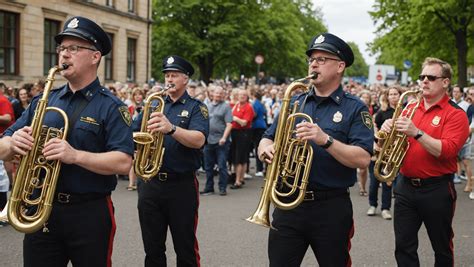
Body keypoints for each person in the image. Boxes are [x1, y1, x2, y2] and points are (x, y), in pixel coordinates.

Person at [0, 16, 134, 266]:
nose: (64, 55)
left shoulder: (112, 107)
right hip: (40, 212)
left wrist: (75, 155)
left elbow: (123, 162)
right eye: (62, 48)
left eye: (74, 48)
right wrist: (13, 143)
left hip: (88, 213)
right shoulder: (43, 101)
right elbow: (3, 146)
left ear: (95, 56)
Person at [258, 33, 373, 266]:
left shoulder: (355, 108)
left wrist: (325, 140)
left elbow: (363, 158)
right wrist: (266, 149)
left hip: (330, 208)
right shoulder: (295, 101)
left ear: (340, 66)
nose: (313, 63)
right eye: (311, 59)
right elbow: (266, 137)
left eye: (322, 59)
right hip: (288, 205)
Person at [380, 57, 469, 266]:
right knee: (404, 246)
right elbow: (396, 141)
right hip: (405, 186)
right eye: (422, 77)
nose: (424, 81)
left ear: (445, 82)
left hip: (437, 189)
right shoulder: (410, 106)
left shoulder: (456, 114)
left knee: (442, 247)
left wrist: (417, 132)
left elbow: (447, 151)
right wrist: (387, 130)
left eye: (431, 77)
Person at [134, 55, 209, 266]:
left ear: (186, 79)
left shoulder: (196, 107)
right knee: (152, 248)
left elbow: (199, 139)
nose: (169, 79)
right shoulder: (154, 103)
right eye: (167, 75)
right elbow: (134, 133)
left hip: (181, 185)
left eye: (174, 75)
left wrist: (172, 129)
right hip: (150, 183)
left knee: (185, 248)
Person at [367, 86, 402, 220]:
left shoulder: (404, 112)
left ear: (399, 95)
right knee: (374, 182)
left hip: (392, 152)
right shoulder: (381, 112)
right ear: (387, 97)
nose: (393, 96)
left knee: (387, 182)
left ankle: (385, 208)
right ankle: (372, 205)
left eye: (395, 94)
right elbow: (373, 129)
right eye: (391, 94)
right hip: (379, 150)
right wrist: (377, 143)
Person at [200, 85, 233, 196]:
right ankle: (209, 188)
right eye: (216, 93)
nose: (218, 95)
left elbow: (229, 124)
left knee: (222, 165)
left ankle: (222, 187)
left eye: (220, 93)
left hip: (221, 141)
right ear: (212, 94)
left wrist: (224, 137)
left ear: (223, 95)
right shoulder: (206, 106)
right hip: (208, 140)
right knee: (208, 167)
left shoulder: (226, 106)